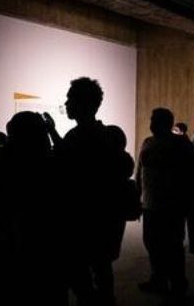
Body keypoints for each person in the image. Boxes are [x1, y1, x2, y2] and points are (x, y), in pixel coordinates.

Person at [50, 77, 134, 305]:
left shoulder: (78, 137)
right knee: (102, 268)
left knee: (79, 270)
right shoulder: (105, 136)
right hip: (105, 217)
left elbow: (67, 164)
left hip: (83, 218)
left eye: (70, 99)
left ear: (82, 104)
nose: (67, 104)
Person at [3, 111, 66, 304]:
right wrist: (52, 131)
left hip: (21, 233)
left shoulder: (9, 161)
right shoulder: (53, 161)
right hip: (52, 236)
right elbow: (66, 155)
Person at [136, 108, 194, 297]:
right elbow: (140, 172)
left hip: (172, 206)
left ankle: (178, 284)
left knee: (173, 246)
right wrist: (138, 197)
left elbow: (192, 175)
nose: (152, 123)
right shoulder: (147, 142)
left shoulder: (181, 145)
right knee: (152, 243)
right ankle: (158, 279)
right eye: (152, 119)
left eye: (155, 120)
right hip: (150, 204)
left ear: (166, 123)